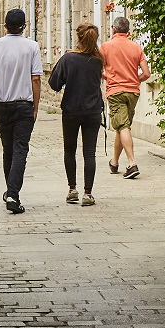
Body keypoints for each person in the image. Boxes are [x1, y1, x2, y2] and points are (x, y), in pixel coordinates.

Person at [0, 8, 42, 213]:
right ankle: (13, 194)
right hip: (23, 104)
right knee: (20, 149)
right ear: (24, 26)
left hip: (2, 104)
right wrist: (35, 106)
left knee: (8, 148)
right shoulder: (32, 47)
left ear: (5, 25)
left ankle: (10, 190)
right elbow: (35, 78)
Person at [49, 23, 107, 206]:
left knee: (70, 150)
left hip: (72, 110)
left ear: (78, 38)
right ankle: (88, 193)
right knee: (89, 153)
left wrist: (66, 65)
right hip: (92, 111)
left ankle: (72, 189)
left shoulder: (69, 59)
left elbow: (54, 83)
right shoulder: (98, 59)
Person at [99, 15, 152, 179]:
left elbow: (99, 71)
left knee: (122, 126)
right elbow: (147, 73)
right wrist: (135, 79)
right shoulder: (136, 47)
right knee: (123, 126)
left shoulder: (105, 47)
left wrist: (110, 77)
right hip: (133, 92)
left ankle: (132, 163)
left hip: (115, 91)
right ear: (128, 31)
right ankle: (114, 162)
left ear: (114, 29)